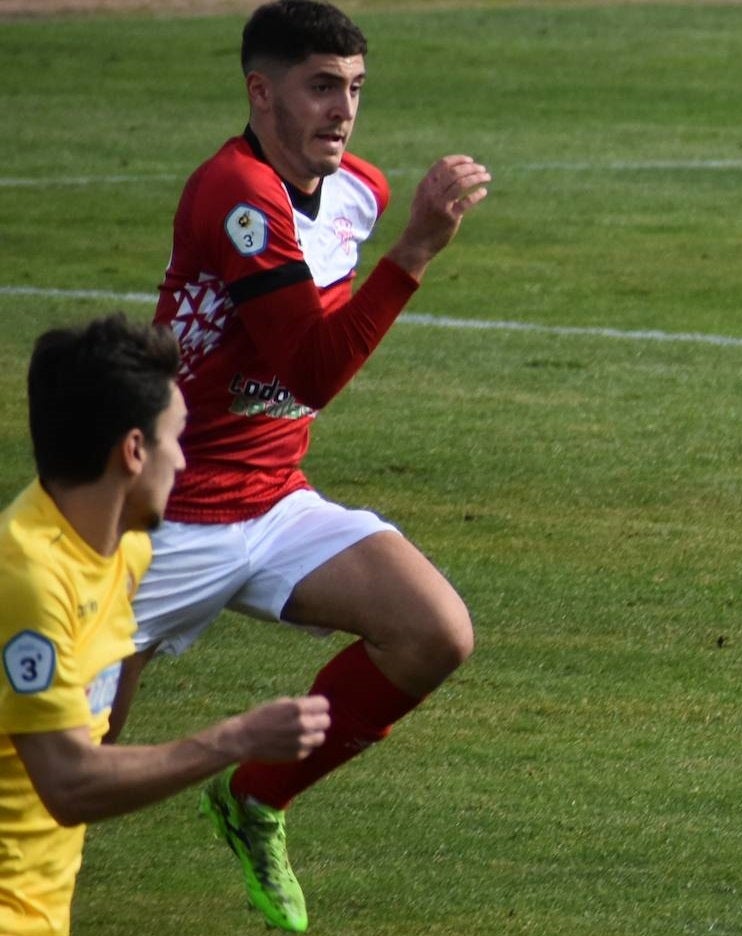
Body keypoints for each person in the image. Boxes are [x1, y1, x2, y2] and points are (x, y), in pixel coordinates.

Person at [104, 1, 492, 931]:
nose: (342, 108)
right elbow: (310, 372)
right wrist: (415, 252)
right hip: (161, 515)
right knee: (69, 769)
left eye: (354, 87)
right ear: (261, 92)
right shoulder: (234, 193)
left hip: (273, 502)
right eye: (321, 86)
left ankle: (254, 799)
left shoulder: (359, 190)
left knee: (435, 632)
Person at [0, 314, 331, 936]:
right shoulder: (31, 581)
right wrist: (236, 739)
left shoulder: (124, 549)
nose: (183, 459)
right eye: (176, 437)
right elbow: (68, 785)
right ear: (132, 450)